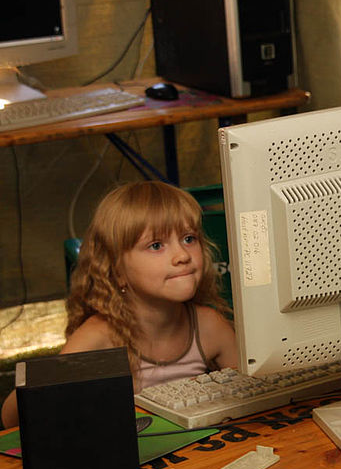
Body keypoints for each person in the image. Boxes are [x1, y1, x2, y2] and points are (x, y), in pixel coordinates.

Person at [1, 181, 238, 428]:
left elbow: (256, 394)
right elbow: (11, 418)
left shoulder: (209, 326)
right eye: (156, 245)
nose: (183, 255)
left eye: (189, 238)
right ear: (117, 270)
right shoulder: (99, 337)